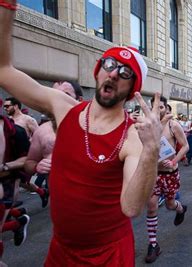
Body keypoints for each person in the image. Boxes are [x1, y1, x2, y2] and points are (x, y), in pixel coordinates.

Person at [0, 4, 165, 264]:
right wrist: (7, 7)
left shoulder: (132, 136)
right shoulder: (63, 107)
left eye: (124, 72)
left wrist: (151, 150)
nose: (113, 73)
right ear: (97, 70)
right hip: (61, 250)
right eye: (110, 64)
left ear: (133, 88)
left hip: (108, 256)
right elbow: (4, 71)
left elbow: (131, 207)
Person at [23, 81, 83, 208]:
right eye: (54, 95)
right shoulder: (42, 130)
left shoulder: (94, 127)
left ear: (79, 100)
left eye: (65, 95)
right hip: (60, 202)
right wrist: (37, 167)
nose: (58, 101)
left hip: (95, 203)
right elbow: (29, 163)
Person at [144, 96, 188, 263]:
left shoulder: (173, 125)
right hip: (154, 173)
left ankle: (180, 209)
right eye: (155, 108)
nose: (158, 110)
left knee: (170, 205)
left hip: (170, 173)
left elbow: (185, 146)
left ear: (166, 108)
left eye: (160, 107)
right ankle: (153, 244)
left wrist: (173, 161)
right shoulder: (148, 127)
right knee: (152, 205)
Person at [0, 110, 31, 263]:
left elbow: (28, 159)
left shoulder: (15, 132)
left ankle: (18, 222)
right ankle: (18, 222)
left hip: (7, 183)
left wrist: (4, 166)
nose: (7, 108)